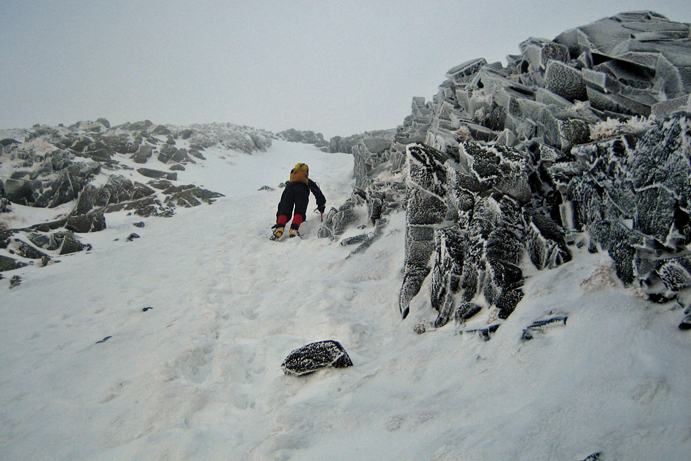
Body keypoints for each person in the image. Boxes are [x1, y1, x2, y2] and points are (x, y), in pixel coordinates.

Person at [271, 163, 326, 240]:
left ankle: (279, 227)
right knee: (299, 211)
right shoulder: (307, 181)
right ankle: (294, 229)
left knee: (284, 210)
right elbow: (317, 193)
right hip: (302, 191)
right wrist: (321, 205)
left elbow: (282, 205)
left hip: (288, 191)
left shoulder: (291, 181)